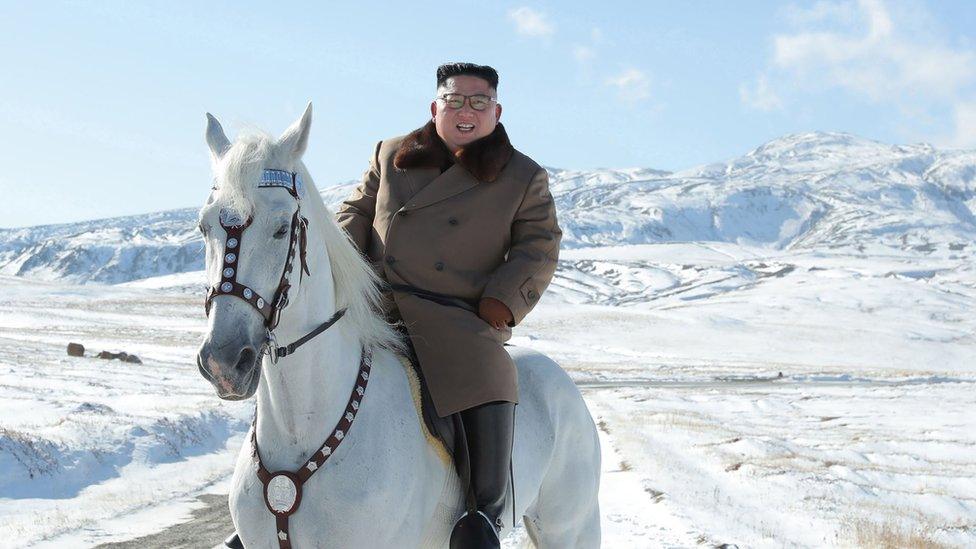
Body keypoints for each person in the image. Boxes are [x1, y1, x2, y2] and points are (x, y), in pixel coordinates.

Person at [336, 62, 561, 548]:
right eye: (455, 100)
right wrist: (338, 255)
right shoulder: (391, 153)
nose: (466, 111)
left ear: (496, 112)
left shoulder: (523, 176)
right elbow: (356, 209)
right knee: (303, 356)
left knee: (486, 368)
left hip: (457, 312)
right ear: (434, 107)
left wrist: (501, 302)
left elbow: (539, 245)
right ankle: (269, 501)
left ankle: (484, 515)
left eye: (479, 102)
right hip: (375, 302)